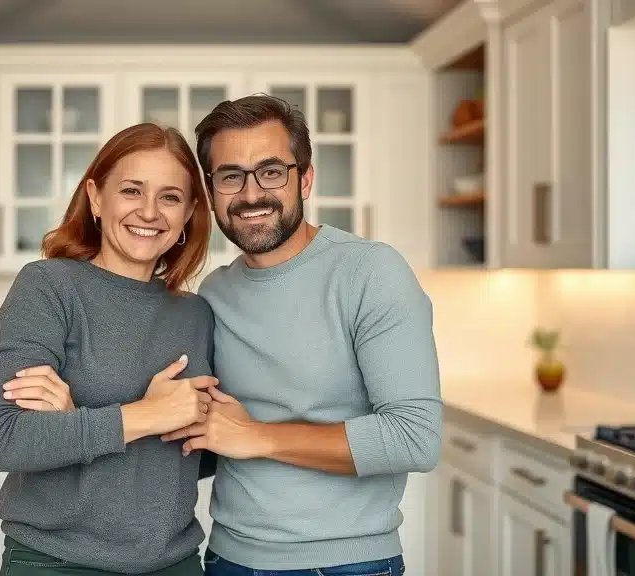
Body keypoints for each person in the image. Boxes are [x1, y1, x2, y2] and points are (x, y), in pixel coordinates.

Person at [158, 94, 443, 576]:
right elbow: (209, 430)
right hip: (228, 558)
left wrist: (258, 437)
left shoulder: (370, 272)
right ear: (210, 191)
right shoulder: (215, 292)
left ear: (305, 179)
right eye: (230, 176)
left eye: (271, 172)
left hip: (345, 564)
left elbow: (414, 437)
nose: (251, 195)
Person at [0, 123, 219, 576]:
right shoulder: (48, 287)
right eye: (131, 190)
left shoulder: (196, 314)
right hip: (57, 563)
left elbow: (187, 463)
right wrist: (146, 415)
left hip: (175, 563)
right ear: (95, 197)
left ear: (189, 212)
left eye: (170, 197)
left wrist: (74, 424)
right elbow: (8, 440)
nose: (149, 211)